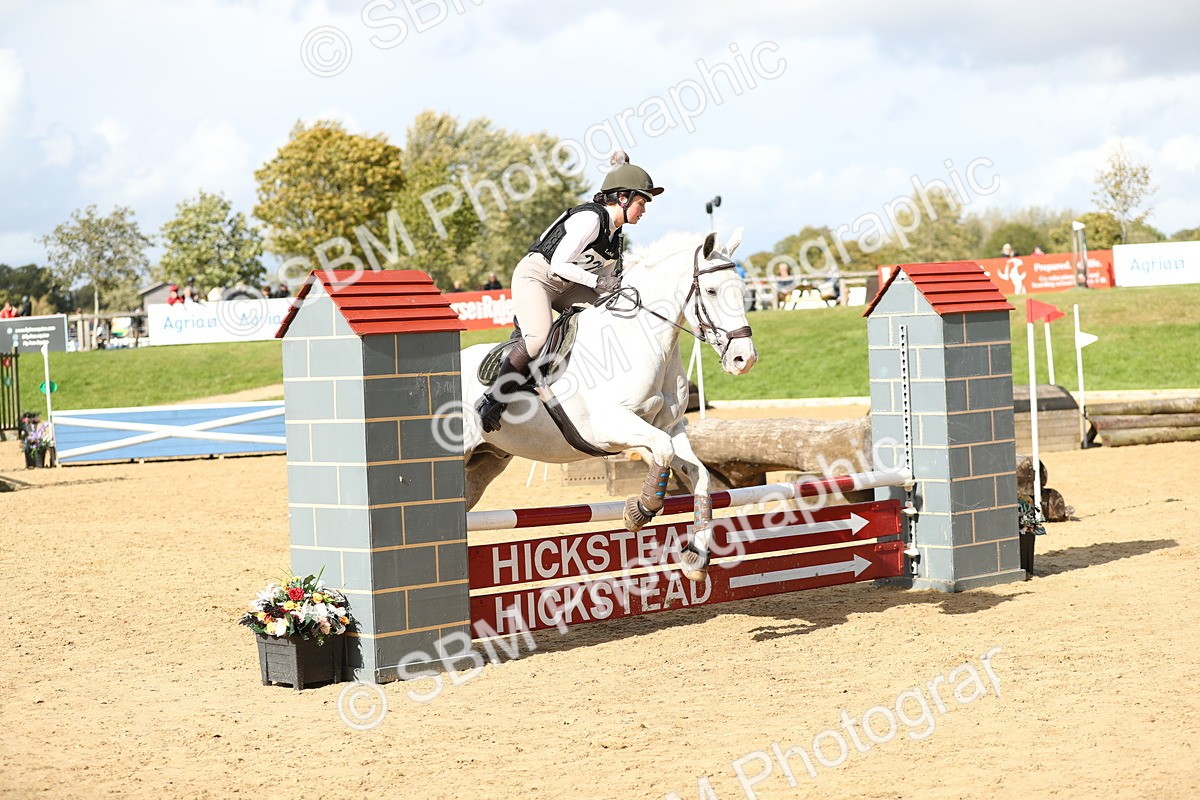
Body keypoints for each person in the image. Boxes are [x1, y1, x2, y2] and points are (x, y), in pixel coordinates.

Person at [476, 150, 663, 432]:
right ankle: (494, 399)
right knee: (538, 338)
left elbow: (604, 279)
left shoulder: (615, 234)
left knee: (613, 313)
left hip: (569, 284)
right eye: (641, 202)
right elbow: (560, 263)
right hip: (537, 276)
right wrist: (599, 284)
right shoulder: (590, 219)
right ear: (622, 199)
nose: (645, 210)